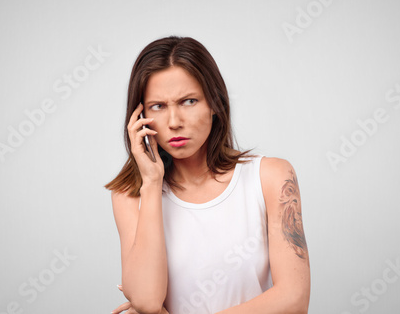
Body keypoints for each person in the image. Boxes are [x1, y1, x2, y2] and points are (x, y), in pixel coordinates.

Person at [105, 36, 310, 314]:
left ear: (214, 103)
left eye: (188, 101)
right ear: (139, 117)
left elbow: (294, 300)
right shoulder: (131, 196)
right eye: (158, 106)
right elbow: (147, 300)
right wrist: (152, 182)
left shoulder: (271, 178)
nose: (174, 122)